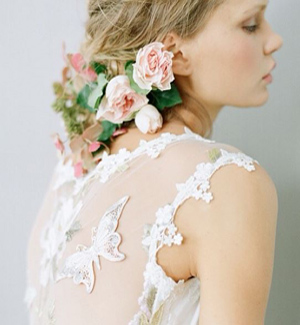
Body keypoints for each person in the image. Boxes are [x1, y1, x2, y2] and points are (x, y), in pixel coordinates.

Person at [24, 0, 283, 324]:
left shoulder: (72, 169)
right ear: (175, 55)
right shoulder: (225, 182)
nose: (275, 40)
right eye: (251, 24)